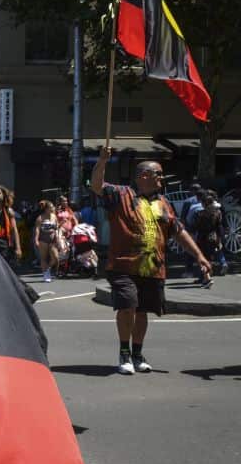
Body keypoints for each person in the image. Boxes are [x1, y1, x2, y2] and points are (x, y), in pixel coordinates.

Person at [90, 148, 210, 374]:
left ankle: (137, 354)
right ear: (144, 176)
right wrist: (102, 162)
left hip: (153, 267)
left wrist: (199, 256)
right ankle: (124, 354)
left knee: (143, 311)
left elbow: (178, 231)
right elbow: (97, 185)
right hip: (123, 265)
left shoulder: (163, 203)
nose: (162, 179)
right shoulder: (121, 194)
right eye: (159, 174)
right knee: (128, 306)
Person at [33, 200, 61, 282]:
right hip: (43, 239)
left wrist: (57, 237)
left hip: (52, 239)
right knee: (43, 257)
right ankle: (46, 274)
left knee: (55, 257)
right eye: (51, 207)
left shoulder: (54, 216)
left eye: (53, 207)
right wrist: (36, 239)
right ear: (46, 209)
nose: (53, 208)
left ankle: (48, 268)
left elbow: (56, 227)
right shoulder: (40, 218)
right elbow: (37, 229)